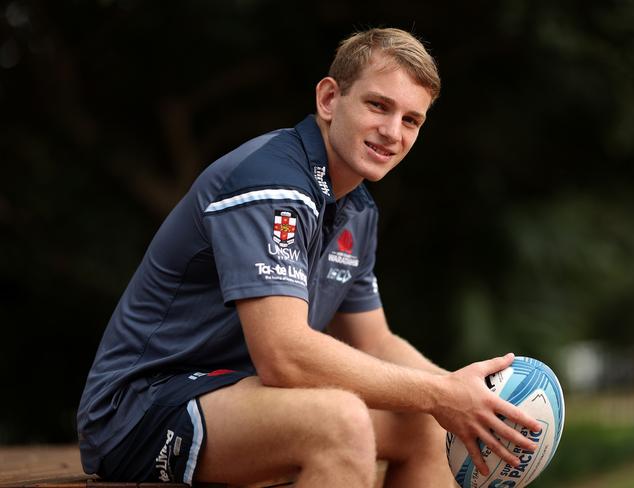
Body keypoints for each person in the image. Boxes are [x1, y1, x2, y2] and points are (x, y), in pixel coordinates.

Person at [77, 27, 541, 488]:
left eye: (410, 120)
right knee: (339, 420)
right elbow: (284, 356)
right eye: (378, 105)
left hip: (231, 398)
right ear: (329, 99)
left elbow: (376, 342)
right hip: (141, 409)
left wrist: (468, 398)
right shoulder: (272, 181)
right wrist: (440, 393)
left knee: (428, 425)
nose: (391, 131)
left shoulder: (356, 209)